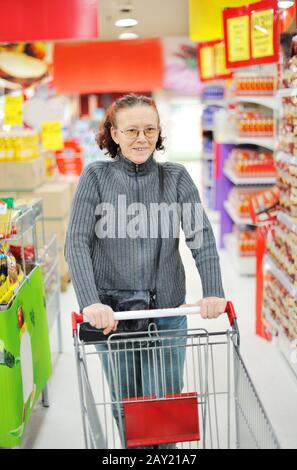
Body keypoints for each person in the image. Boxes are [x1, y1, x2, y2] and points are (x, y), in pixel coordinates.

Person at [65, 94, 226, 448]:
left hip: (165, 313)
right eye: (132, 130)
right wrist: (90, 302)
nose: (142, 138)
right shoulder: (95, 177)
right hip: (112, 315)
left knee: (163, 407)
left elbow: (200, 237)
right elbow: (76, 243)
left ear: (159, 132)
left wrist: (213, 290)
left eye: (150, 129)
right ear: (114, 134)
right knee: (125, 403)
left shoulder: (176, 177)